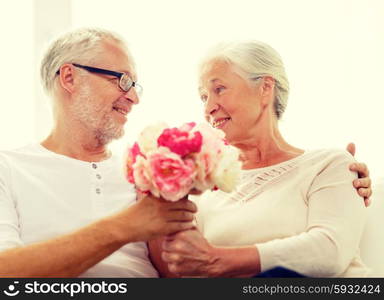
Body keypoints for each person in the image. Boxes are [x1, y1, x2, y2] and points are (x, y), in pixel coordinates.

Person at [149, 41, 372, 277]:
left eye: (219, 89)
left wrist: (218, 260)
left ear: (265, 88)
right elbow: (183, 272)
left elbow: (330, 252)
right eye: (203, 96)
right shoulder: (202, 189)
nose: (209, 107)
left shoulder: (329, 164)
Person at [0, 28, 197, 277]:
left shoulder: (142, 172)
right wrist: (125, 226)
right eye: (122, 80)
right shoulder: (8, 168)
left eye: (135, 85)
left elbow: (181, 276)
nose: (134, 98)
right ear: (69, 78)